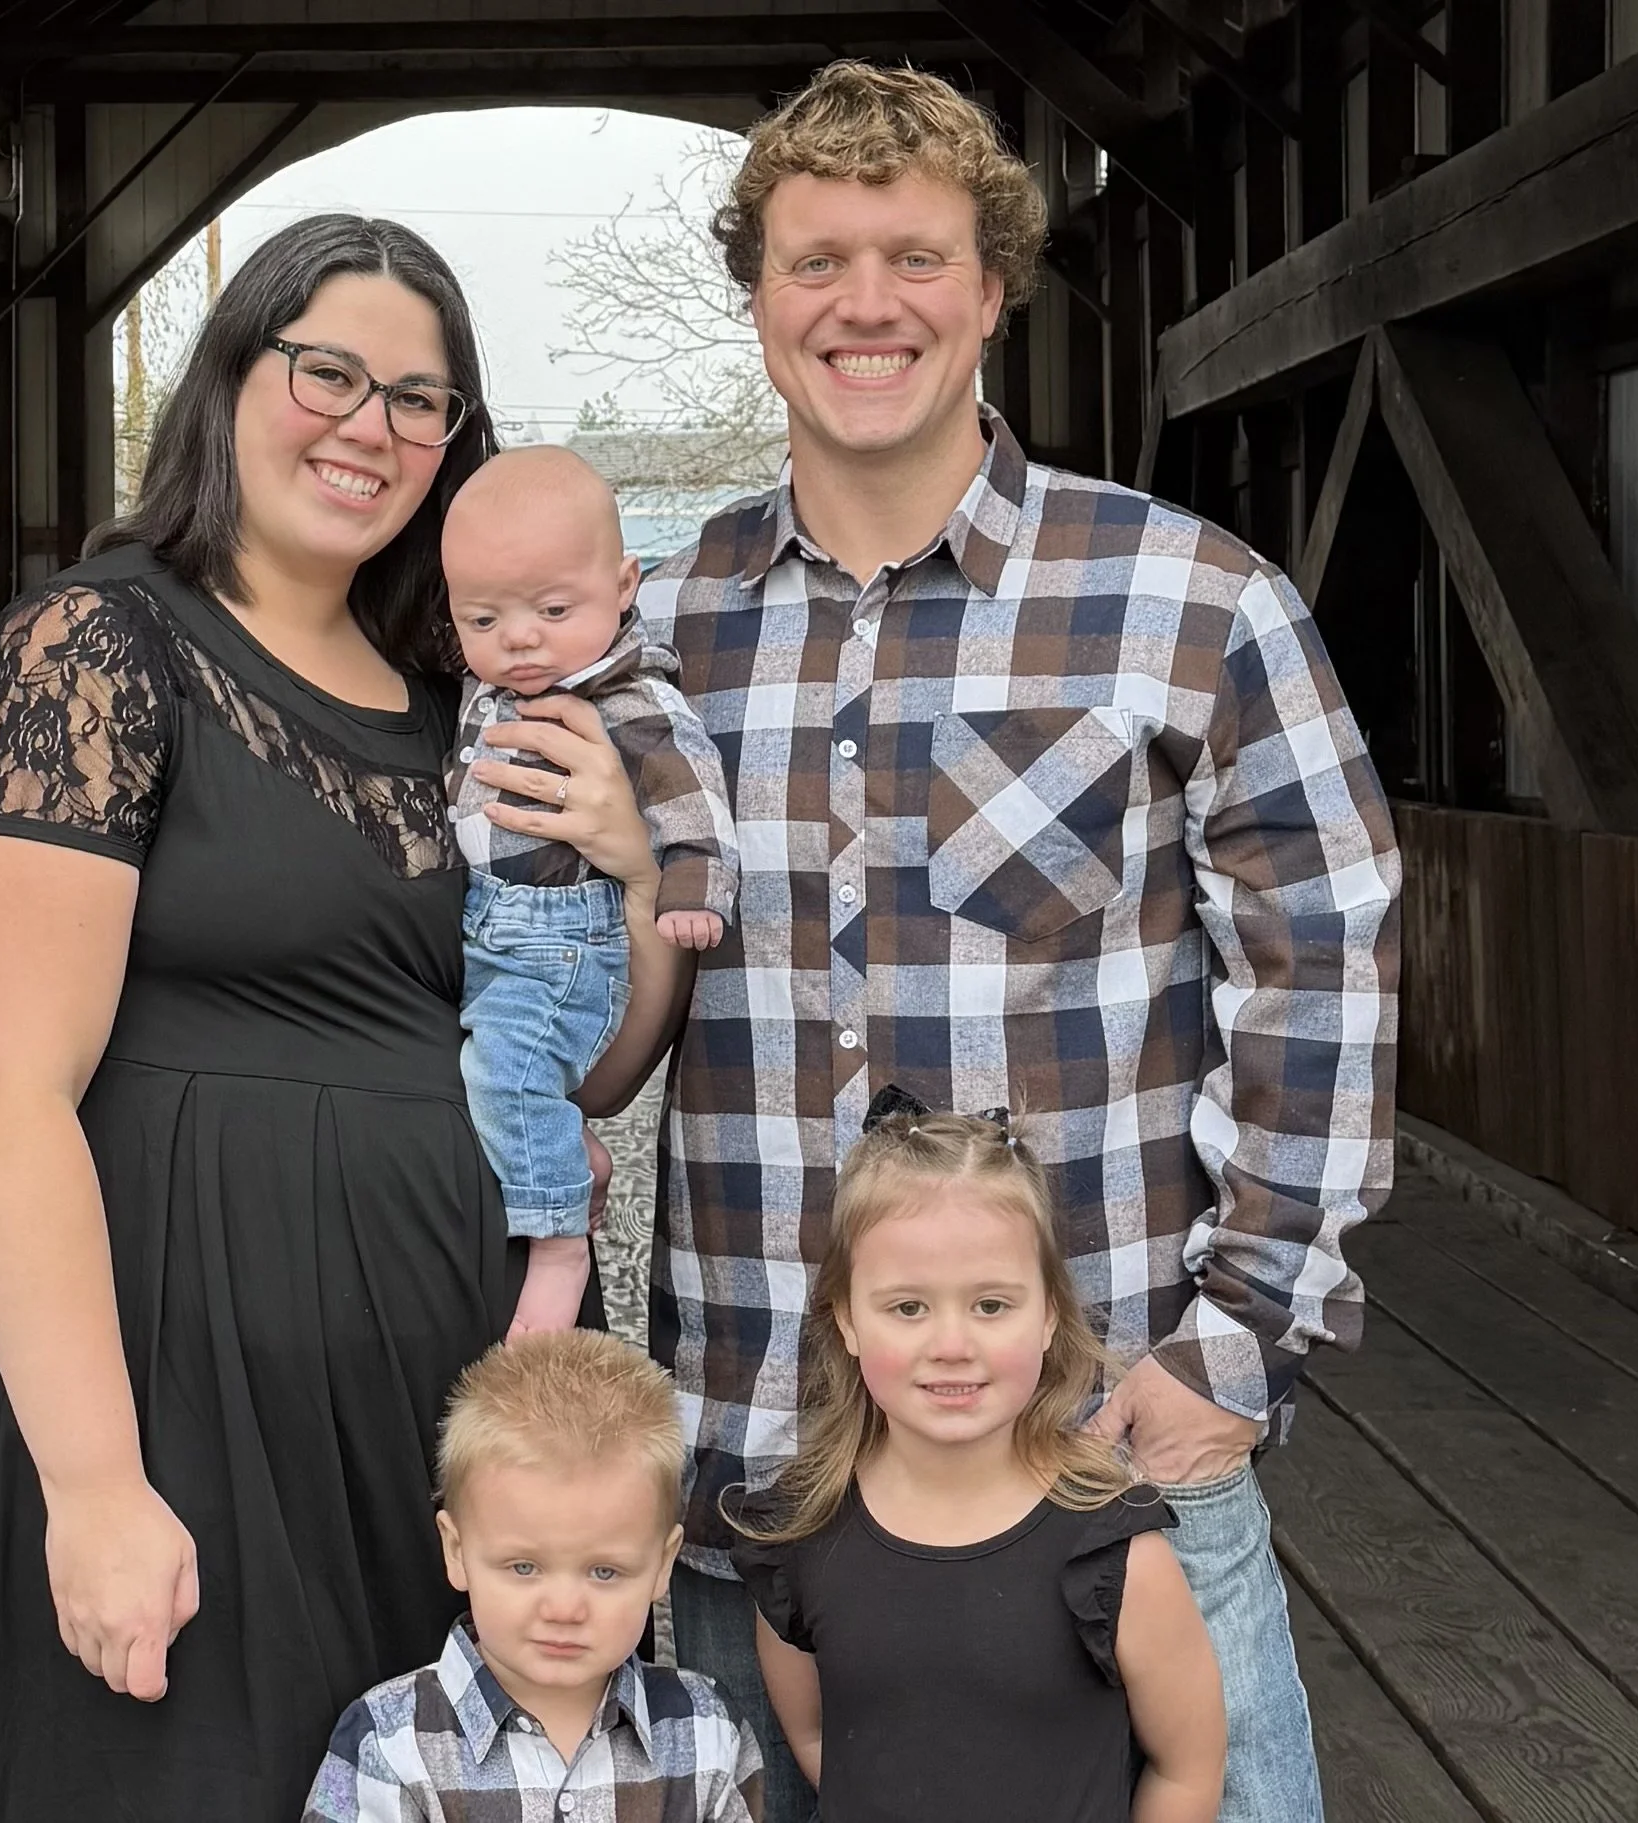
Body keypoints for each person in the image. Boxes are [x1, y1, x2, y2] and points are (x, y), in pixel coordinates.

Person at [610, 62, 1404, 1823]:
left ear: (990, 291)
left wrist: (1239, 1342)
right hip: (765, 1469)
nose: (864, 303)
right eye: (815, 261)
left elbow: (1325, 963)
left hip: (1099, 1460)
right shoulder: (655, 635)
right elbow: (555, 997)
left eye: (913, 256)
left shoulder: (1191, 600)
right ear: (756, 301)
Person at [0, 214, 682, 1822]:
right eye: (328, 370)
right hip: (183, 1388)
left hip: (444, 1412)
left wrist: (634, 867)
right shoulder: (99, 647)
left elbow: (590, 1062)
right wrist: (97, 1487)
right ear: (232, 375)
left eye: (418, 398)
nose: (368, 425)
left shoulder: (473, 703)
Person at [730, 1094, 1226, 1823]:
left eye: (991, 1305)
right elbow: (813, 1735)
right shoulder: (799, 1539)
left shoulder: (1113, 1556)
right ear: (846, 1319)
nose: (952, 1343)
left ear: (1050, 1313)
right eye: (908, 1307)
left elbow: (1188, 1768)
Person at [442, 448, 740, 1337]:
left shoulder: (626, 691)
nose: (520, 637)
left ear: (623, 586)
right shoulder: (491, 685)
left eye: (553, 610)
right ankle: (554, 1157)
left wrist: (688, 882)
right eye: (483, 616)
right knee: (490, 1071)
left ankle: (559, 1237)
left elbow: (692, 793)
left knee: (508, 1071)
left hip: (563, 935)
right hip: (492, 922)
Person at [304, 1329, 766, 1822]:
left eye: (604, 1572)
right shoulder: (391, 1745)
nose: (564, 1609)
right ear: (456, 1550)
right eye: (524, 1567)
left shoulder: (707, 1733)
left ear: (661, 1564)